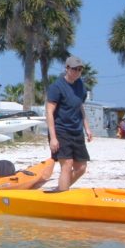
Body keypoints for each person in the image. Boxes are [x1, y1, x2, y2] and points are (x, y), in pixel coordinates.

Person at [45, 55, 93, 192]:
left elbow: (80, 106)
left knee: (81, 168)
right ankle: (63, 195)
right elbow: (49, 112)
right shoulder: (57, 87)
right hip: (61, 131)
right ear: (67, 68)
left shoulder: (80, 85)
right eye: (74, 69)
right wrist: (53, 138)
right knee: (67, 164)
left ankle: (60, 189)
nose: (77, 72)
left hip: (76, 131)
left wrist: (87, 128)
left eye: (80, 69)